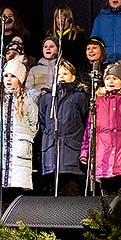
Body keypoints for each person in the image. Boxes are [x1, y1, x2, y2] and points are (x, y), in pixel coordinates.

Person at [80, 62, 121, 196]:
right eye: (108, 78)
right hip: (103, 154)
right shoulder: (97, 101)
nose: (111, 81)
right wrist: (85, 152)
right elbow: (89, 129)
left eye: (115, 78)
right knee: (106, 193)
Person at [0, 57, 37, 207]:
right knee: (0, 191)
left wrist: (22, 139)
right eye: (6, 75)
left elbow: (33, 125)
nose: (8, 79)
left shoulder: (28, 101)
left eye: (13, 76)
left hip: (18, 151)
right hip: (0, 149)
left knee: (16, 191)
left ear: (20, 79)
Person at [39, 59, 88, 196]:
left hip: (71, 151)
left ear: (73, 76)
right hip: (51, 152)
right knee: (53, 191)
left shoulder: (80, 97)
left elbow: (86, 121)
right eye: (58, 74)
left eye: (65, 74)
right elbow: (43, 122)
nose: (61, 77)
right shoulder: (47, 98)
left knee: (71, 190)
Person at [0, 6, 30, 71]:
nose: (7, 18)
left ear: (15, 20)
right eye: (4, 16)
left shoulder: (21, 38)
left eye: (10, 16)